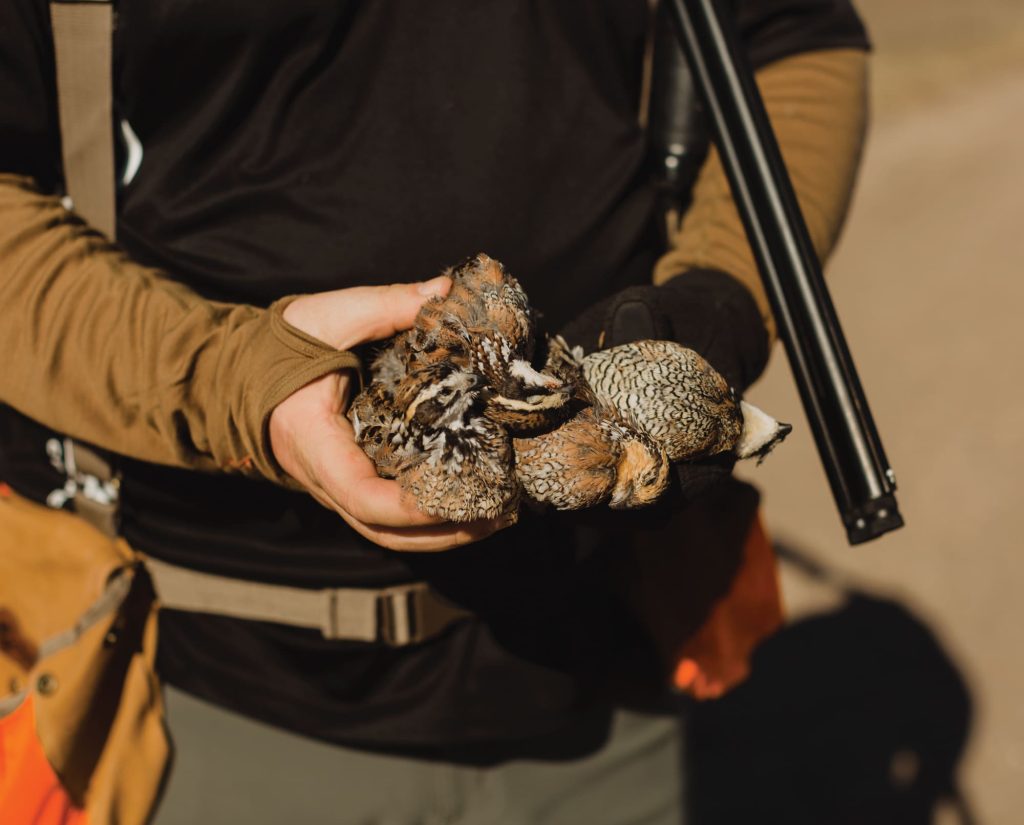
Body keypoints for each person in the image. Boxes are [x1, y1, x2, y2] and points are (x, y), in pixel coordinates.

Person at [0, 1, 869, 822]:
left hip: (609, 645)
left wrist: (721, 294)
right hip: (206, 687)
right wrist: (238, 378)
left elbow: (791, 37)